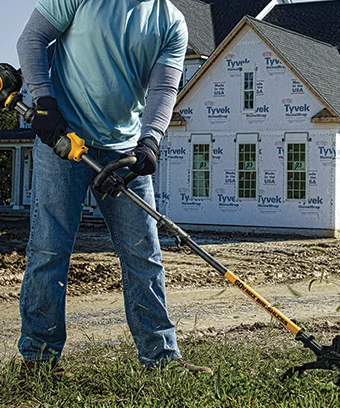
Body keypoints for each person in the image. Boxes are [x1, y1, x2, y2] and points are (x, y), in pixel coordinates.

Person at [16, 0, 211, 374]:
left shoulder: (171, 22)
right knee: (49, 248)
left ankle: (160, 359)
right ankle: (38, 360)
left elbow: (164, 89)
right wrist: (44, 102)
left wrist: (151, 140)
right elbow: (31, 41)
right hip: (64, 138)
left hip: (123, 150)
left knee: (144, 253)